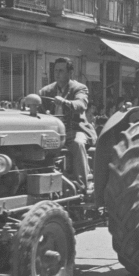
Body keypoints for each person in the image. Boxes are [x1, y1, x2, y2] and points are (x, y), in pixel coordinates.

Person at [39, 57, 95, 190]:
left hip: (75, 130)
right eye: (55, 70)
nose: (57, 74)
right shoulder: (46, 91)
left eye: (61, 71)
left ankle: (82, 185)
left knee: (78, 143)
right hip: (53, 133)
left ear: (70, 73)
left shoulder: (79, 88)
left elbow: (81, 104)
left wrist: (66, 102)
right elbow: (40, 111)